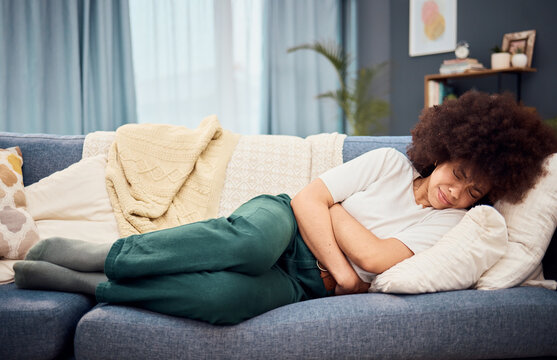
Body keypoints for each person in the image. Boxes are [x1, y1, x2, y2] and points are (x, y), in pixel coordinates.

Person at [14, 91, 557, 325]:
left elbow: (376, 250)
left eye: (473, 193)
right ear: (442, 152)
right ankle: (109, 254)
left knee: (225, 298)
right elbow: (305, 199)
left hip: (303, 281)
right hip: (283, 225)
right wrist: (344, 271)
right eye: (458, 176)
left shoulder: (456, 228)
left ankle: (91, 285)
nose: (457, 195)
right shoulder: (390, 165)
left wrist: (331, 216)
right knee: (249, 246)